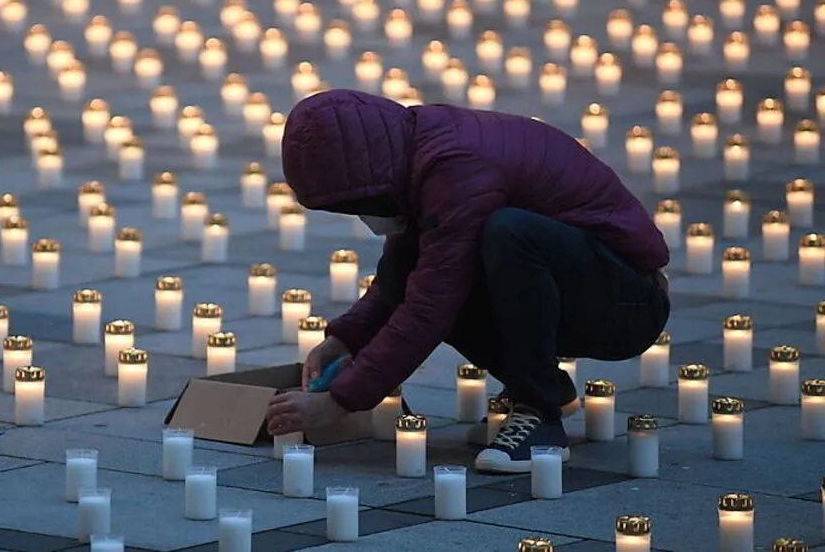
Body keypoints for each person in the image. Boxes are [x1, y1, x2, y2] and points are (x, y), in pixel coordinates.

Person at [264, 89, 670, 473]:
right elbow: (400, 281)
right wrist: (343, 341)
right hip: (582, 284)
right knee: (445, 271)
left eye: (357, 205)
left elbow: (429, 306)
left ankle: (540, 414)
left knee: (502, 238)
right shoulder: (415, 154)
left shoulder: (454, 168)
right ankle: (547, 388)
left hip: (628, 302)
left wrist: (337, 402)